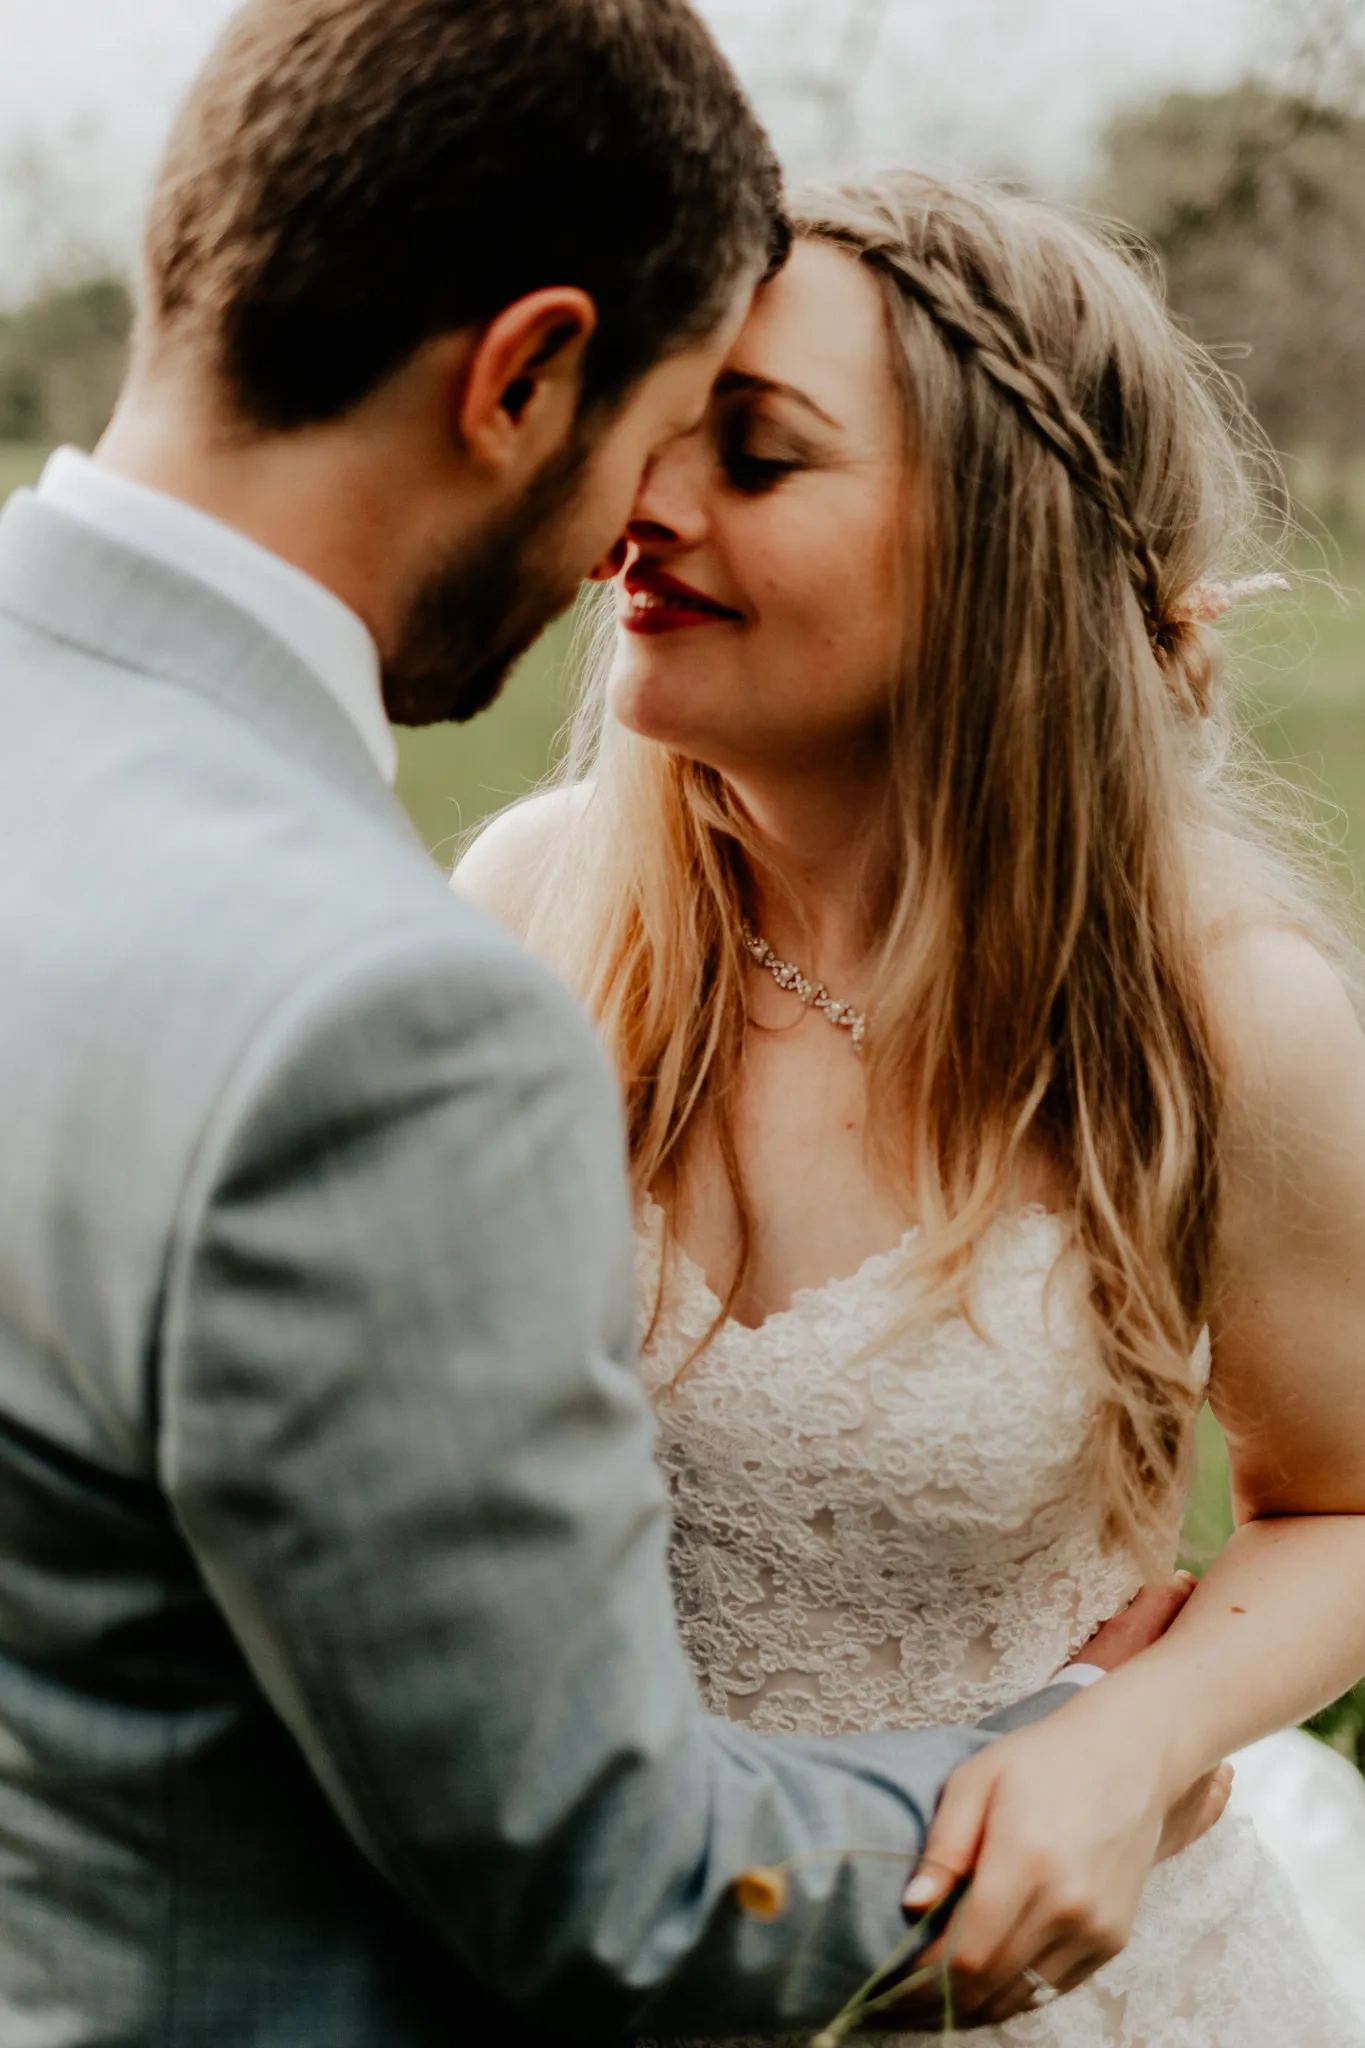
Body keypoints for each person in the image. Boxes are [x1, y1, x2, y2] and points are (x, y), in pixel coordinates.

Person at [0, 9, 1226, 2045]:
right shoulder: (384, 1015)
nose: (625, 537)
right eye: (657, 427)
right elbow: (625, 1890)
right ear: (520, 376)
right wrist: (1098, 1749)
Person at [456, 169, 1365, 2040]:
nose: (643, 509)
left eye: (760, 458)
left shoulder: (1214, 1011)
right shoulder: (527, 917)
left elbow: (1350, 1500)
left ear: (990, 548)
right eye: (657, 435)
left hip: (1030, 1988)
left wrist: (1138, 1739)